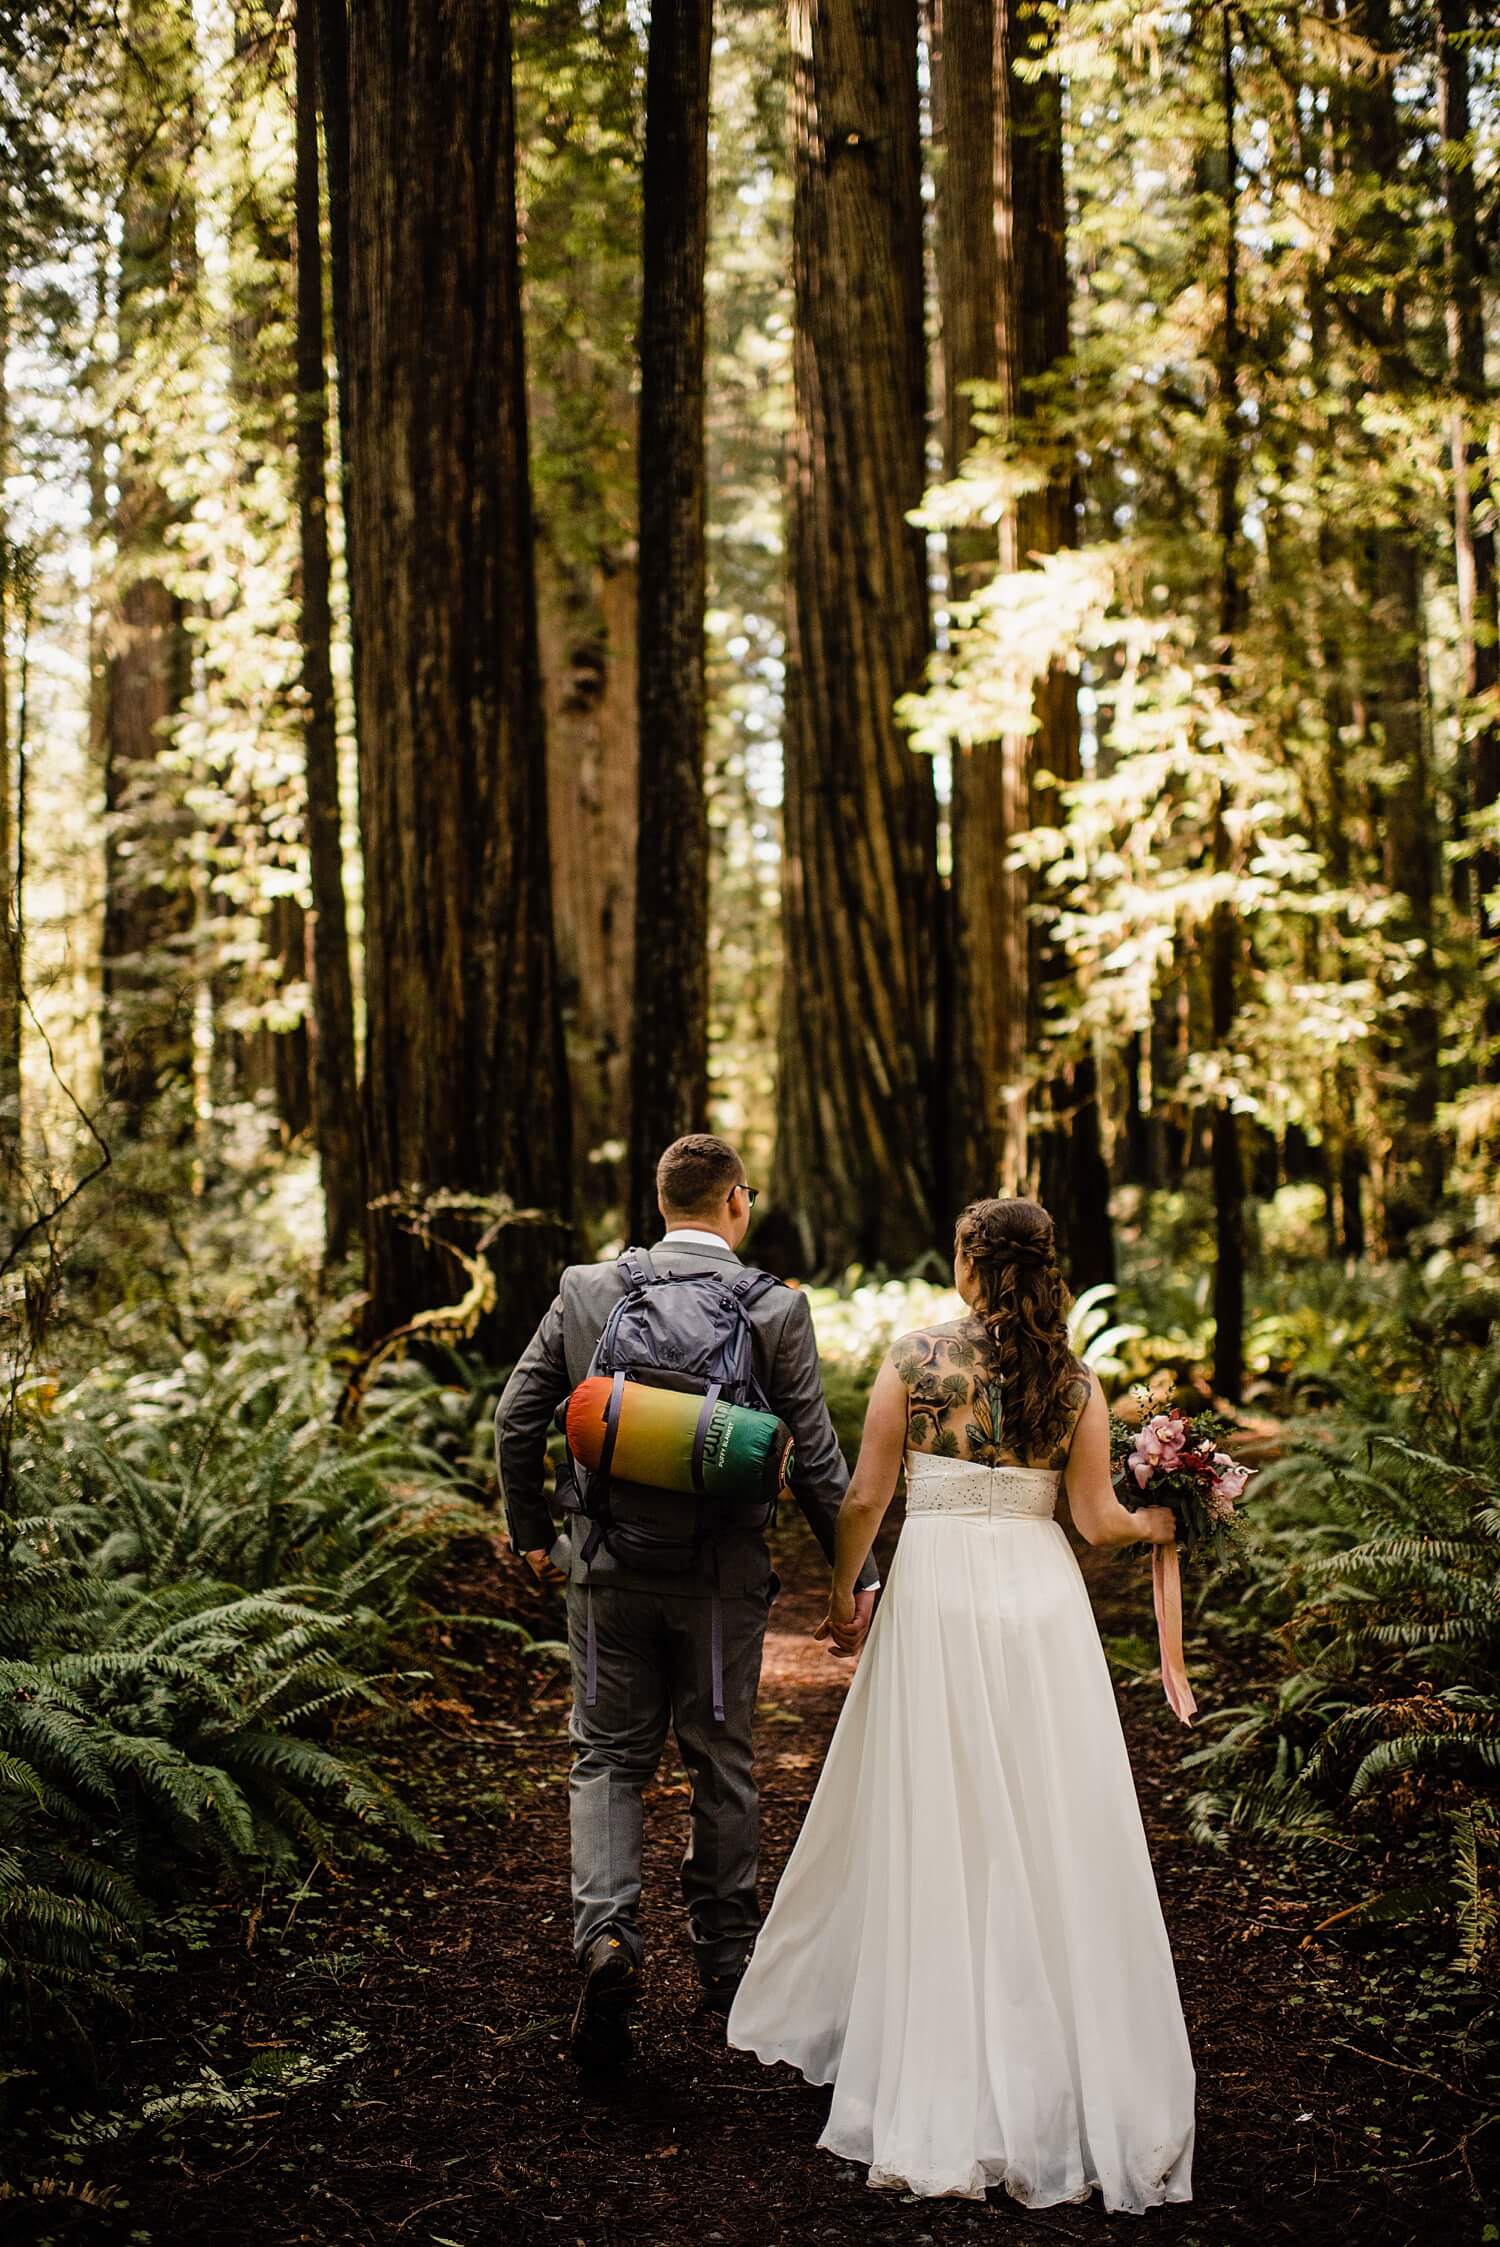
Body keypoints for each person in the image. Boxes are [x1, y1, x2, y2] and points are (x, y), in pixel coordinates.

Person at [727, 1196, 1196, 2212]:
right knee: (1042, 1816)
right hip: (1039, 1606)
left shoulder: (915, 1361)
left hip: (936, 1595)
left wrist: (847, 1593)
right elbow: (1095, 1520)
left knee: (939, 1812)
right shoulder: (1073, 1379)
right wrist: (1166, 1520)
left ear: (969, 1265)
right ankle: (1058, 2059)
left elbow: (863, 1497)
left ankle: (938, 2051)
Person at [494, 1132, 880, 2070]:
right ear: (736, 1202)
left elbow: (517, 1413)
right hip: (718, 1583)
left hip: (607, 1571)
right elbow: (819, 1462)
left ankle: (608, 1939)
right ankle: (727, 1955)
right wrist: (856, 1580)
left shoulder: (588, 1290)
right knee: (721, 1759)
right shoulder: (776, 1306)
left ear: (662, 1201)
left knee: (607, 1756)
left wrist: (535, 1533)